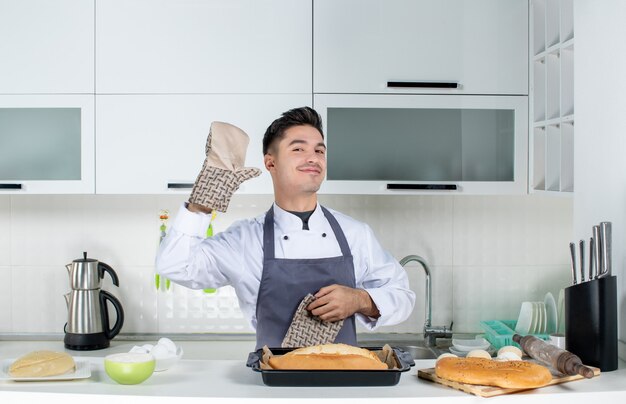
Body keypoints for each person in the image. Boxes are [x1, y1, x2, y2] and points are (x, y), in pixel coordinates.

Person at [156, 107, 415, 349]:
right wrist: (204, 200)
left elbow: (403, 296)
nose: (313, 158)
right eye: (298, 149)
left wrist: (361, 300)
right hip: (272, 383)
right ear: (271, 163)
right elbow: (175, 265)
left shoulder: (355, 234)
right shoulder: (244, 239)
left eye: (319, 150)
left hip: (342, 384)